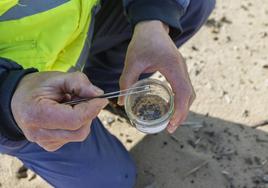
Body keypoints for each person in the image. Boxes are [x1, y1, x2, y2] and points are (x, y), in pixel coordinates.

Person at [0, 0, 215, 187]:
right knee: (113, 181)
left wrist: (154, 17)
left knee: (191, 4)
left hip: (82, 21)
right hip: (21, 102)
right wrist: (8, 98)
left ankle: (110, 91)